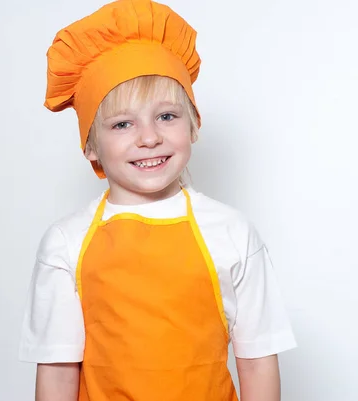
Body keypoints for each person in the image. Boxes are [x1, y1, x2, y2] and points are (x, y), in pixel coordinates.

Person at [18, 1, 297, 400]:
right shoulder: (66, 242)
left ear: (194, 125)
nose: (149, 137)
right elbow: (59, 373)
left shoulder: (232, 232)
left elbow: (257, 362)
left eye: (167, 116)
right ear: (90, 147)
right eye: (122, 123)